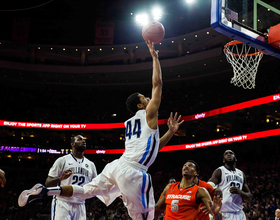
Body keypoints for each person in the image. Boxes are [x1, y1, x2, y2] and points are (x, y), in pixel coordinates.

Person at [18, 41, 184, 220]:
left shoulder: (131, 122)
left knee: (86, 191)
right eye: (144, 97)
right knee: (145, 218)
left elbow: (153, 148)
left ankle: (46, 191)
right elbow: (157, 83)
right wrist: (154, 57)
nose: (148, 97)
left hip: (117, 166)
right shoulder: (149, 114)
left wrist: (171, 133)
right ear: (140, 105)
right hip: (133, 171)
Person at [22, 135, 98, 220]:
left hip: (80, 204)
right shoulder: (62, 160)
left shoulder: (91, 165)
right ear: (72, 144)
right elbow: (48, 183)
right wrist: (60, 178)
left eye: (84, 140)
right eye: (80, 140)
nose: (83, 141)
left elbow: (95, 185)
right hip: (63, 203)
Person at [155, 160, 222, 220]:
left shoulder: (200, 191)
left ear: (196, 173)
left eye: (190, 166)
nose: (186, 166)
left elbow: (216, 216)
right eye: (185, 165)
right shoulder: (169, 187)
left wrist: (216, 213)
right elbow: (157, 209)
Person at [208, 149, 252, 220]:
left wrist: (240, 192)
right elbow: (208, 185)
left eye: (231, 153)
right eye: (226, 154)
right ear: (223, 160)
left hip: (240, 213)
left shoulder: (241, 174)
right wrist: (215, 189)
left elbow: (249, 197)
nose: (228, 154)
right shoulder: (220, 171)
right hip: (224, 213)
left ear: (235, 158)